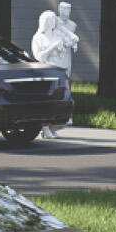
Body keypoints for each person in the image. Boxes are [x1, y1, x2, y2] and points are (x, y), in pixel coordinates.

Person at [30, 8, 73, 138]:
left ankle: (55, 126)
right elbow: (39, 57)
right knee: (47, 101)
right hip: (46, 74)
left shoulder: (56, 35)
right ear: (46, 21)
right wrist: (52, 47)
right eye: (52, 19)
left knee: (60, 100)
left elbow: (67, 44)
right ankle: (44, 127)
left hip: (59, 72)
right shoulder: (38, 38)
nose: (55, 21)